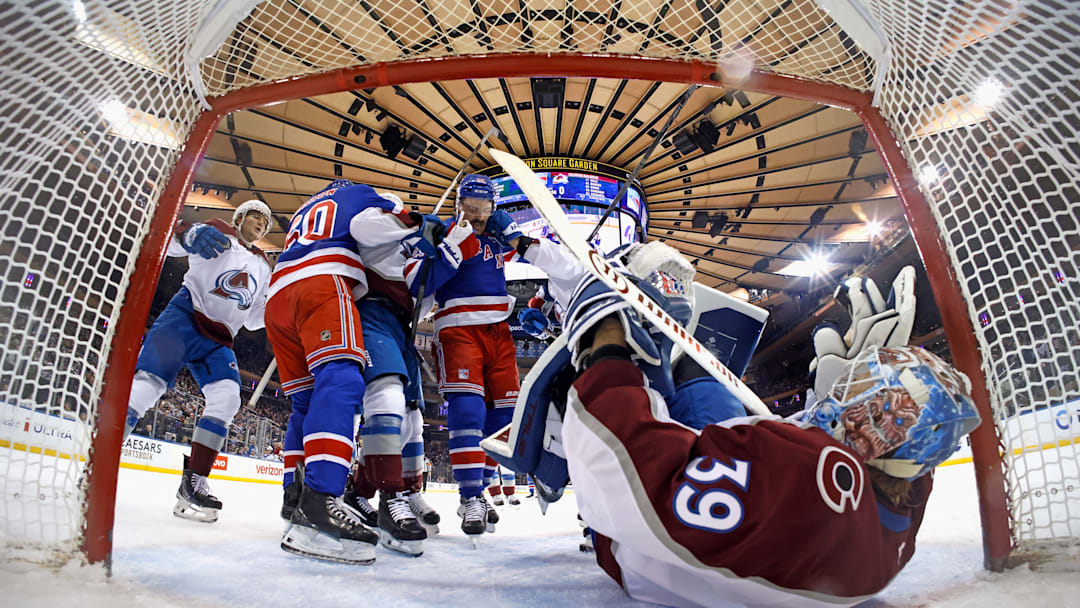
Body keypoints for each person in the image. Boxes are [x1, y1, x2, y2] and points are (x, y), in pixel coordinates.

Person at [551, 263, 980, 607]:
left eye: (865, 388)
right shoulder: (900, 498)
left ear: (875, 428)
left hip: (636, 554)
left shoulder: (812, 479)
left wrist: (606, 351)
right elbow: (864, 468)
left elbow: (638, 478)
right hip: (737, 536)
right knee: (703, 378)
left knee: (670, 380)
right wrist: (826, 416)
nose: (849, 389)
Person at [266, 179, 444, 564]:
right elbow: (367, 226)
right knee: (344, 379)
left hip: (278, 291)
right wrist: (416, 222)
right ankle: (320, 503)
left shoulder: (310, 204)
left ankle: (294, 498)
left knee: (305, 402)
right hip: (323, 281)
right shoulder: (366, 197)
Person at [122, 201, 273, 523]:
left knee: (228, 399)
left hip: (219, 339)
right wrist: (189, 235)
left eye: (266, 221)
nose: (262, 222)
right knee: (147, 388)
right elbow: (172, 241)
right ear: (240, 217)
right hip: (184, 316)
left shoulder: (264, 266)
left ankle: (194, 480)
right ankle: (100, 462)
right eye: (256, 216)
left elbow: (254, 320)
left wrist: (282, 305)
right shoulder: (220, 231)